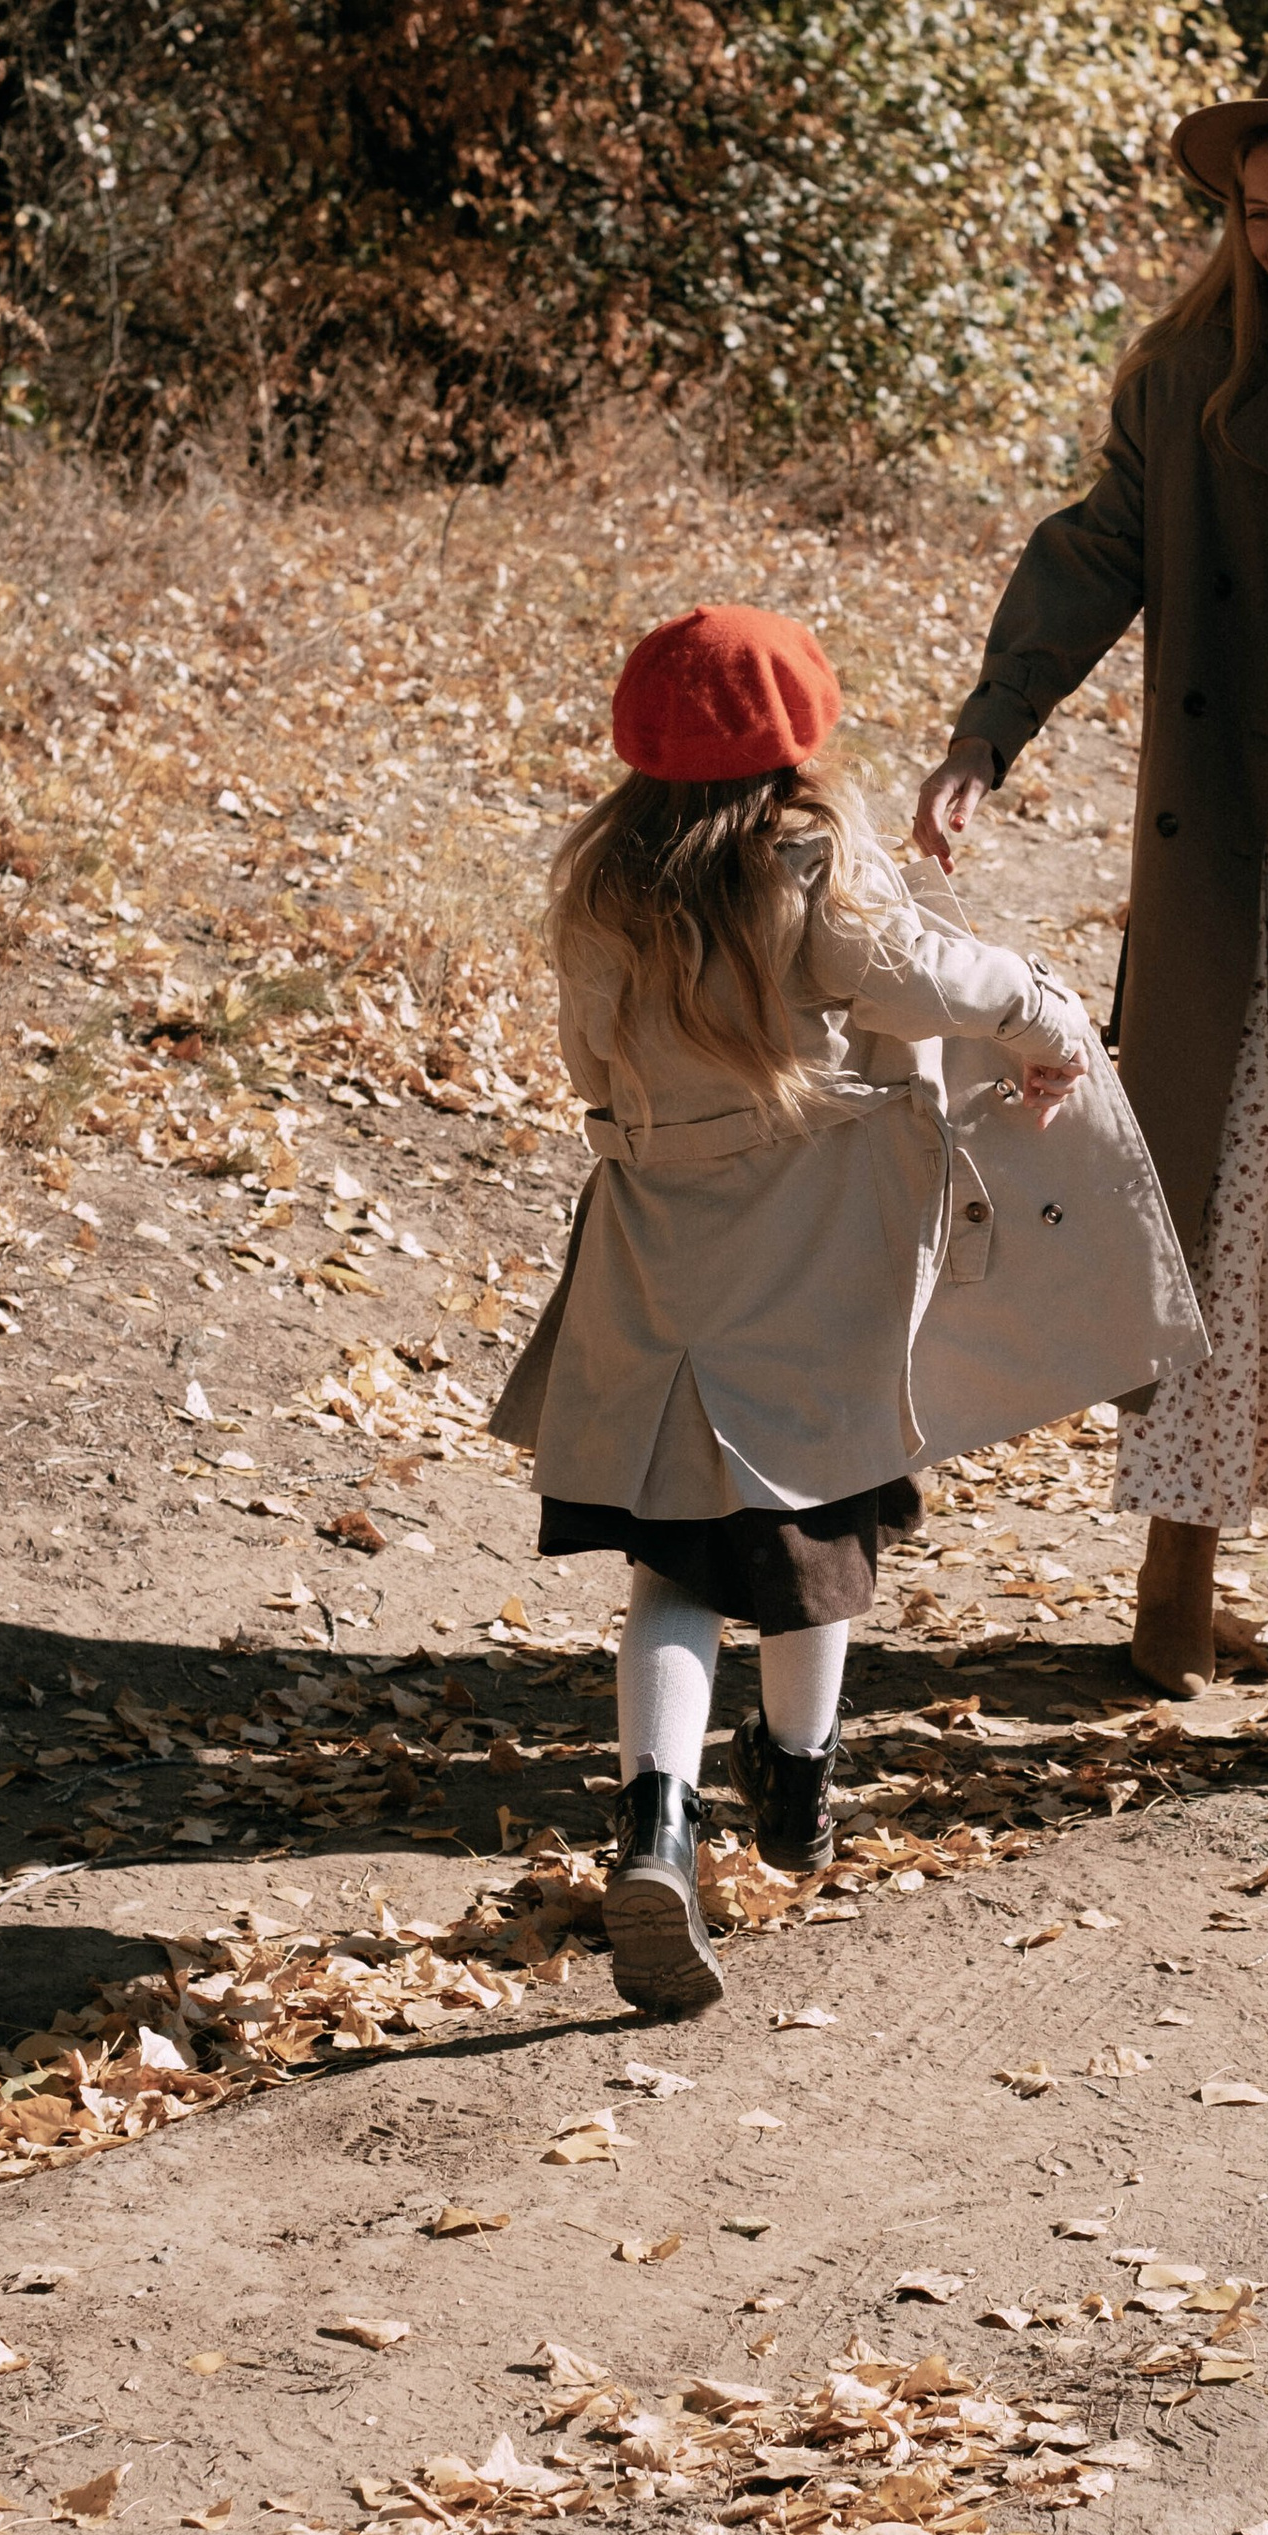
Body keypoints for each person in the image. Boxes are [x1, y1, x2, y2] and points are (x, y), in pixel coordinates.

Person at [914, 43, 1268, 1698]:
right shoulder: (1193, 374)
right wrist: (988, 727)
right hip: (1245, 838)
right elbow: (1094, 550)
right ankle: (1178, 1568)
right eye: (1254, 216)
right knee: (1222, 1183)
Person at [492, 603, 1090, 2014]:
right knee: (816, 1540)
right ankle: (801, 1789)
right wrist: (1049, 1018)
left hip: (657, 1270)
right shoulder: (808, 873)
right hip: (810, 1277)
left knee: (676, 1570)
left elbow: (588, 1060)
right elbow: (936, 978)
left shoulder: (602, 893)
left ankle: (654, 1827)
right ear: (802, 743)